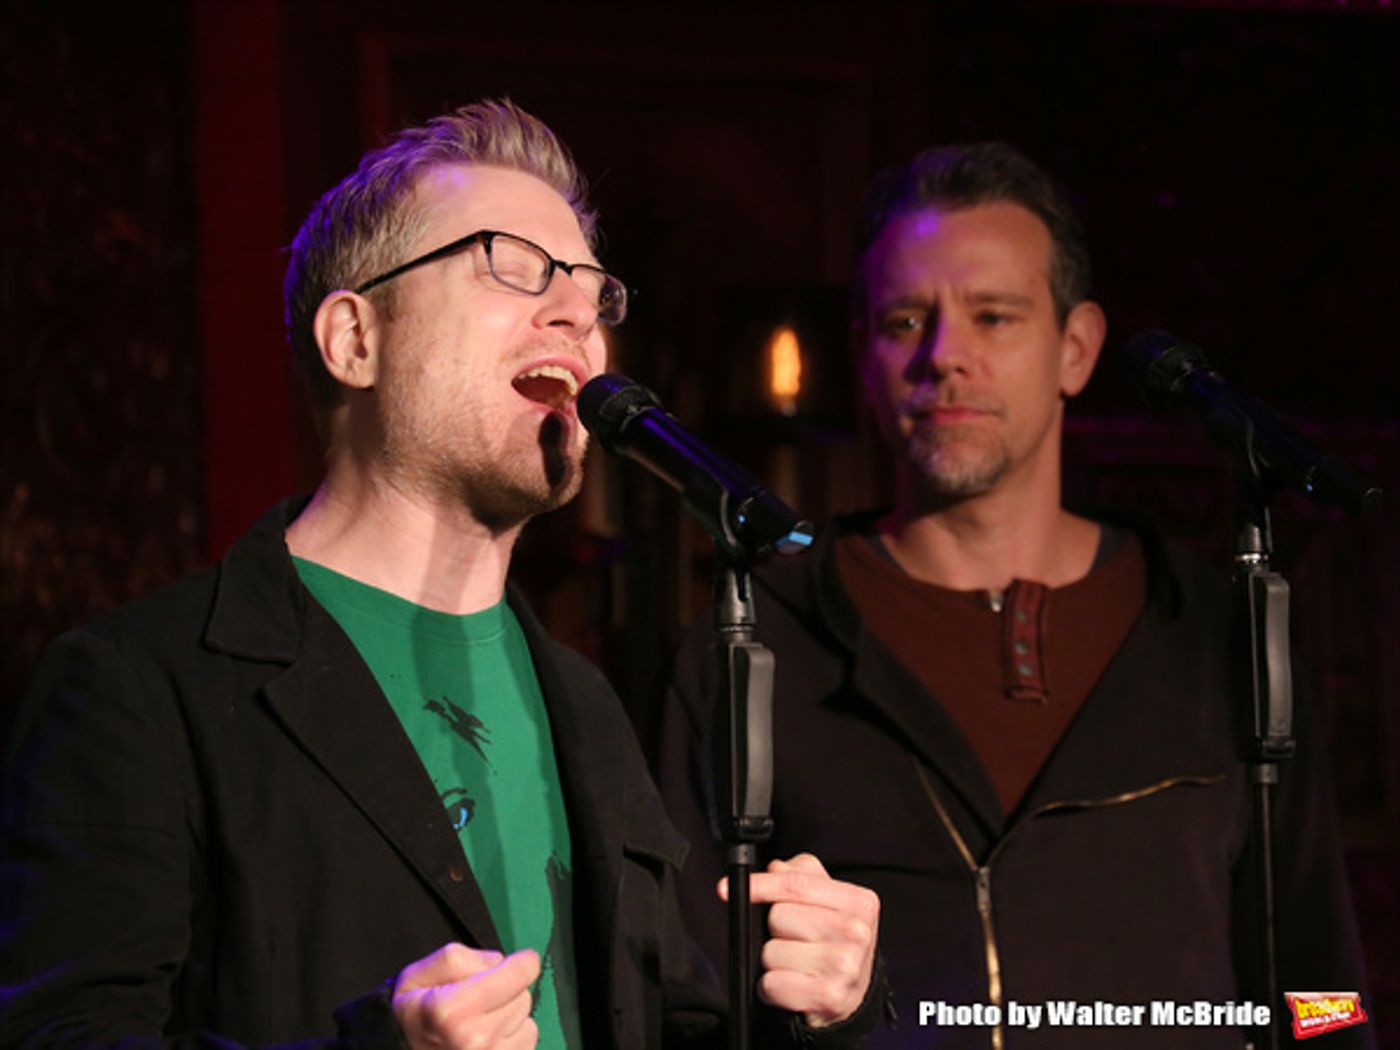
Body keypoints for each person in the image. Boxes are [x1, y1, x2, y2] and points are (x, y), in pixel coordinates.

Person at [0, 100, 883, 1049]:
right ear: (355, 341)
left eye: (592, 290)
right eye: (512, 266)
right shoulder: (140, 686)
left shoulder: (581, 702)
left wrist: (815, 1012)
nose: (576, 315)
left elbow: (657, 1016)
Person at [655, 143, 1373, 1049]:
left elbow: (1320, 987)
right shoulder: (758, 635)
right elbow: (683, 986)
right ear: (863, 356)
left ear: (1076, 349)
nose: (946, 357)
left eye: (994, 317)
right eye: (906, 321)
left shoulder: (1218, 632)